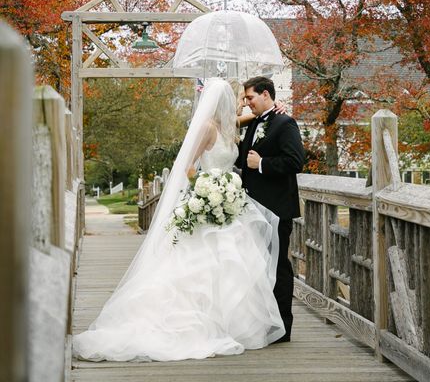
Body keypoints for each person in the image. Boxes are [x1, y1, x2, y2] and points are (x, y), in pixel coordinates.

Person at [73, 78, 286, 362]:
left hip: (229, 204)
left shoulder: (231, 126)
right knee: (202, 264)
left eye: (244, 99)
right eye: (237, 99)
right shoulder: (209, 128)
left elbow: (258, 115)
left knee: (231, 263)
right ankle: (196, 322)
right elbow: (187, 167)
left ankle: (226, 322)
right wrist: (204, 191)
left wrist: (279, 107)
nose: (241, 103)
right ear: (223, 101)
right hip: (209, 200)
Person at [236, 76, 304, 343]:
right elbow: (243, 160)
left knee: (278, 267)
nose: (247, 103)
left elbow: (295, 161)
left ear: (265, 94)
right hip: (253, 209)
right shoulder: (255, 123)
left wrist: (262, 164)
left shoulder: (285, 123)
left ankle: (282, 328)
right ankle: (263, 322)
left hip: (276, 209)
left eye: (250, 98)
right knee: (257, 267)